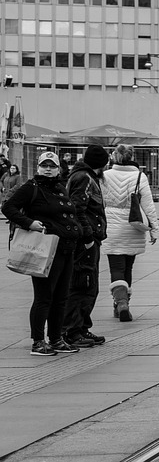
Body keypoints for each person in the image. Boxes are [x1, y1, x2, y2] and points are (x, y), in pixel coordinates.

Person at [1, 151, 84, 356]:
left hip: (66, 249)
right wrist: (30, 223)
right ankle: (38, 341)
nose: (48, 169)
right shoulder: (31, 188)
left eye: (52, 166)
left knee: (61, 297)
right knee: (44, 297)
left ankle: (56, 339)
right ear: (38, 167)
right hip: (45, 250)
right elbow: (8, 207)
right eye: (44, 165)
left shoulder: (59, 187)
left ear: (58, 168)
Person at [101, 143, 159, 322]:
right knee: (128, 267)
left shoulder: (105, 176)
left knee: (116, 267)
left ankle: (120, 302)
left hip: (110, 225)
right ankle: (124, 303)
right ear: (132, 156)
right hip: (133, 225)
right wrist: (154, 229)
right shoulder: (139, 176)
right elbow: (148, 204)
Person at [62, 144, 110, 349]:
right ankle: (72, 330)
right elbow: (77, 208)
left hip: (88, 240)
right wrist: (88, 236)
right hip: (85, 242)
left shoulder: (85, 176)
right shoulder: (84, 178)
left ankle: (81, 327)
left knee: (88, 284)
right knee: (83, 282)